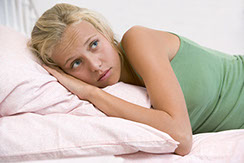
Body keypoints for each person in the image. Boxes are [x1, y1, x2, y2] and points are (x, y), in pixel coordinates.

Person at [28, 3, 244, 156]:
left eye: (94, 44)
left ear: (104, 32)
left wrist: (92, 93)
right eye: (76, 63)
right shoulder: (114, 97)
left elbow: (181, 137)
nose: (94, 65)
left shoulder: (137, 40)